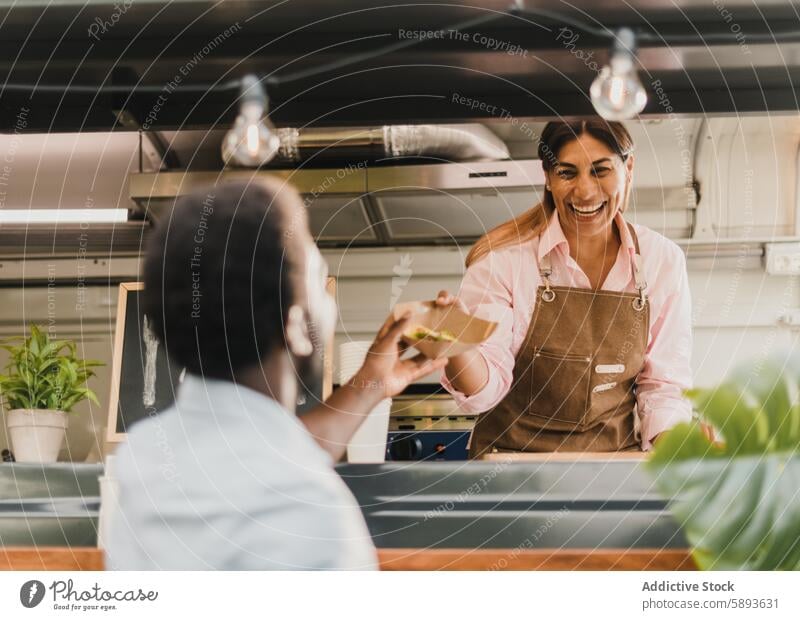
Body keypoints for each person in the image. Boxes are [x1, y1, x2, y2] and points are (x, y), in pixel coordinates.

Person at [106, 178, 446, 569]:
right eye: (320, 279)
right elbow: (277, 472)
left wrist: (370, 383)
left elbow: (261, 454)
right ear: (297, 325)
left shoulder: (145, 459)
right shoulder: (315, 516)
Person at [438, 119, 693, 457]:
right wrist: (458, 347)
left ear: (628, 168)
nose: (585, 191)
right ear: (547, 177)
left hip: (614, 475)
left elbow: (662, 387)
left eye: (600, 171)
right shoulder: (503, 262)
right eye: (567, 173)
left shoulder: (662, 261)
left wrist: (678, 446)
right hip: (509, 479)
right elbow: (484, 392)